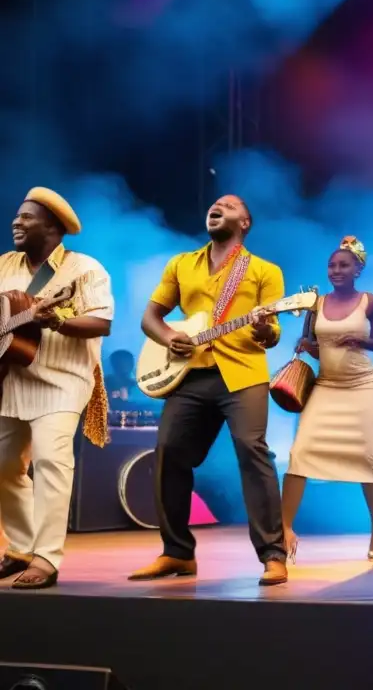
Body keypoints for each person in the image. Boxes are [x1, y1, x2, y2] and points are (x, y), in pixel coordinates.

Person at [128, 195, 289, 586]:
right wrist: (169, 338)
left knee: (253, 451)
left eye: (230, 206)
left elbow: (272, 334)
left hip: (243, 373)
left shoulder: (265, 271)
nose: (218, 208)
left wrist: (265, 328)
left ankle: (273, 554)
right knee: (168, 452)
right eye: (215, 205)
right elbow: (152, 317)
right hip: (190, 375)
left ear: (245, 223)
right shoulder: (181, 264)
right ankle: (177, 553)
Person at [0, 187, 114, 589]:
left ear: (52, 226)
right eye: (17, 216)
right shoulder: (4, 265)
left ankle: (46, 559)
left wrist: (58, 321)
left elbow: (102, 322)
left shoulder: (83, 269)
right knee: (3, 468)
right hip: (12, 380)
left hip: (64, 381)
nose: (17, 221)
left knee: (50, 461)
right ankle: (20, 547)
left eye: (27, 217)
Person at [282, 236, 373, 563]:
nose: (336, 270)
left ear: (358, 269)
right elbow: (310, 341)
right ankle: (283, 528)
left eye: (344, 265)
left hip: (364, 386)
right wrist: (305, 345)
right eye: (332, 265)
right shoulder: (316, 302)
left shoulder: (371, 301)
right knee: (300, 452)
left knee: (367, 457)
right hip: (327, 385)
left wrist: (359, 337)